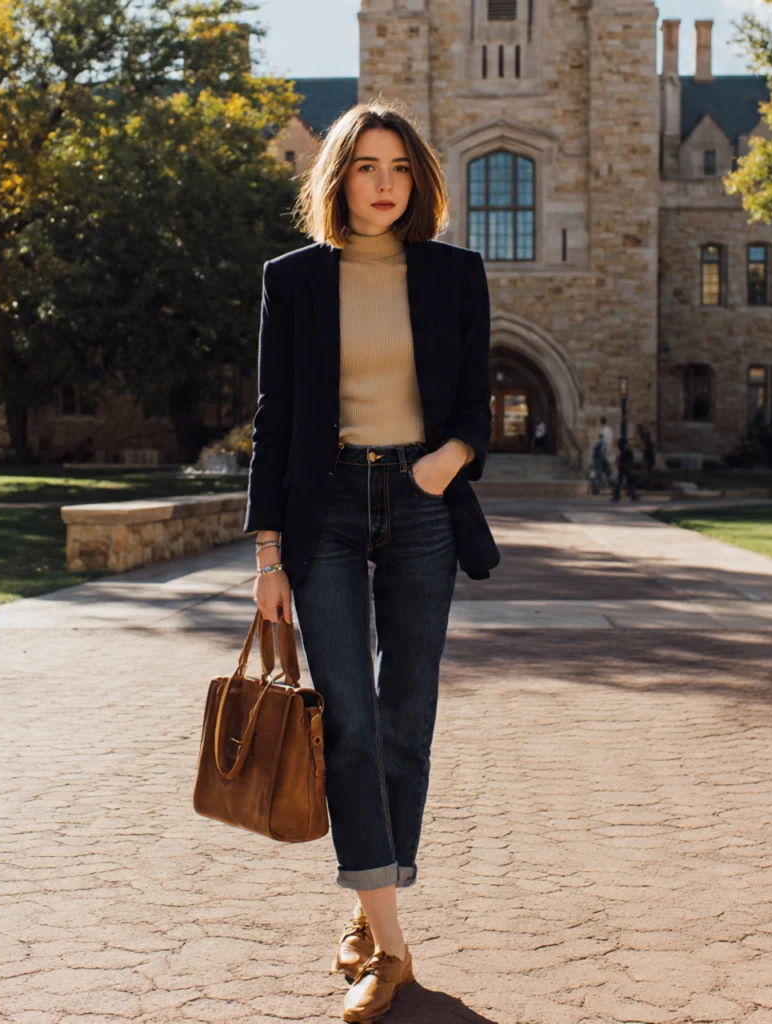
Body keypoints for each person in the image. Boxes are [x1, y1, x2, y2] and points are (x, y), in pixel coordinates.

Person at [244, 101, 499, 1023]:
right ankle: (391, 953)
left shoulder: (456, 275)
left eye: (398, 167)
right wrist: (267, 551)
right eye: (365, 167)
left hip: (423, 506)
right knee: (348, 718)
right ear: (337, 176)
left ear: (418, 180)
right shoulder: (295, 279)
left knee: (406, 720)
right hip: (329, 512)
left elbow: (476, 400)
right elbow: (275, 418)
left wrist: (450, 456)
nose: (383, 184)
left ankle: (366, 913)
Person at [611, 436, 639, 502]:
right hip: (627, 468)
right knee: (629, 483)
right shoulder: (626, 451)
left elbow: (622, 461)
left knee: (619, 483)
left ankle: (617, 496)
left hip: (624, 468)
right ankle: (633, 496)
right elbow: (630, 460)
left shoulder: (625, 451)